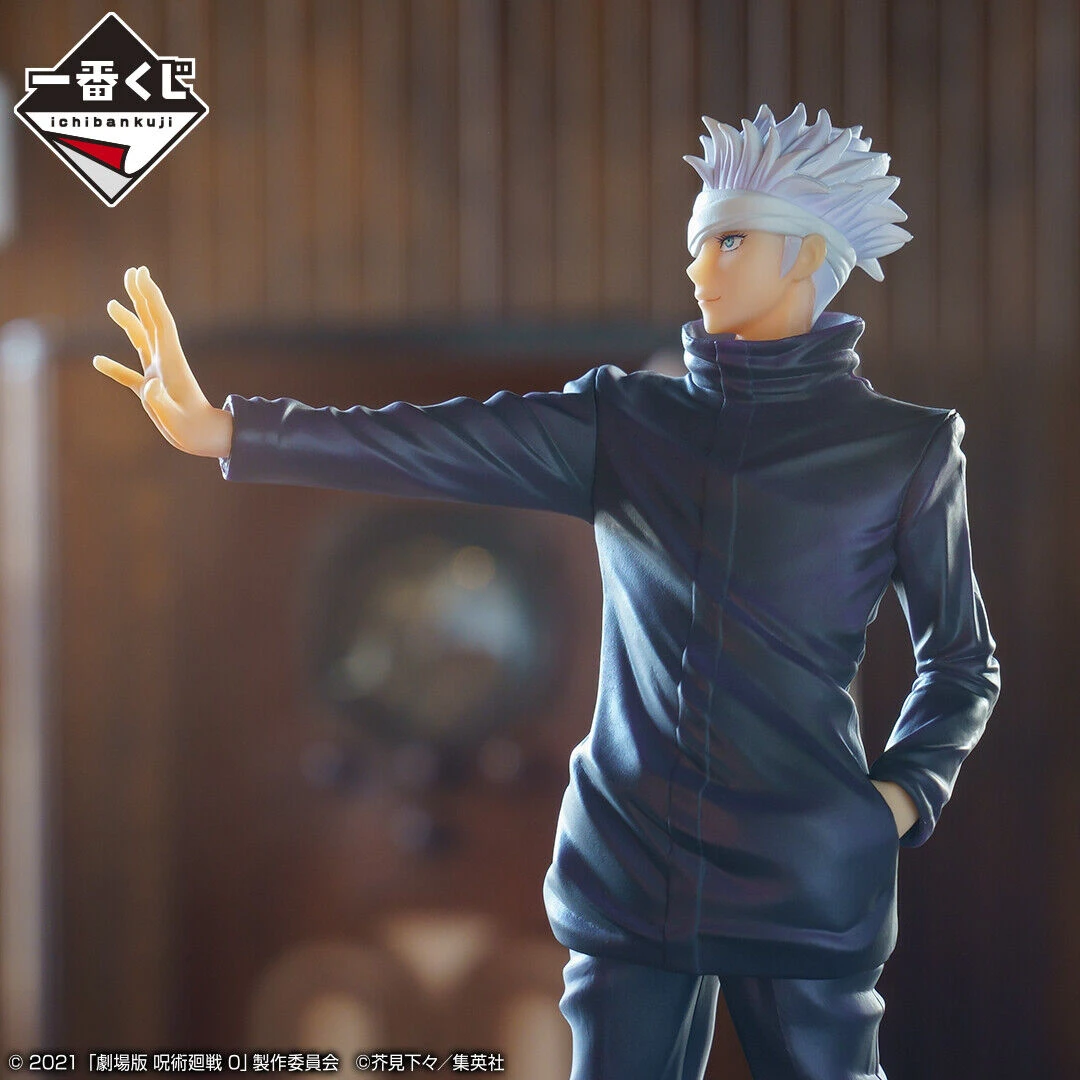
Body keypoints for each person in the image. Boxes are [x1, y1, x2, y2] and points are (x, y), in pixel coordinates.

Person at [94, 104, 999, 1080]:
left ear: (807, 255)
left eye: (728, 240)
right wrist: (228, 429)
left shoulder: (902, 450)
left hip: (805, 869)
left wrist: (898, 800)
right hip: (633, 860)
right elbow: (431, 443)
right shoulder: (626, 421)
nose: (697, 266)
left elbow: (961, 660)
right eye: (696, 242)